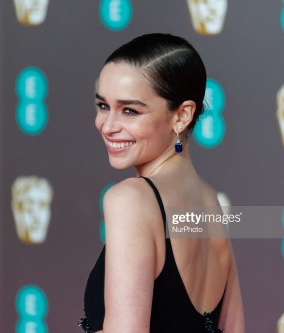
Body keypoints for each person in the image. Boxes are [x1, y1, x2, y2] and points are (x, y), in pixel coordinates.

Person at [80, 33, 244, 333]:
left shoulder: (132, 199)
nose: (107, 125)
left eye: (129, 110)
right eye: (103, 106)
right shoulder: (210, 202)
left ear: (182, 116)